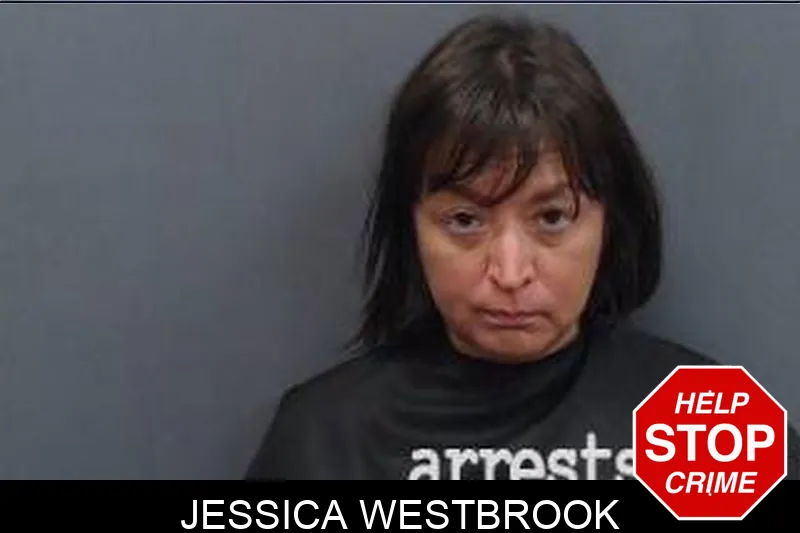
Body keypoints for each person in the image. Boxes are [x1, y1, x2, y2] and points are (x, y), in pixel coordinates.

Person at [245, 14, 800, 480]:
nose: (510, 273)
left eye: (552, 218)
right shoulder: (329, 438)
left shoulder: (708, 426)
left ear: (609, 221)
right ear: (411, 225)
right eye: (465, 220)